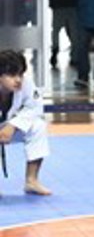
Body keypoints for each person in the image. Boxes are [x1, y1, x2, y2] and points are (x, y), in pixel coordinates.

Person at [0, 50, 51, 197]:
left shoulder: (26, 84)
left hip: (9, 126)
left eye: (20, 74)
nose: (18, 80)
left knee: (38, 126)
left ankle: (31, 181)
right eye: (12, 75)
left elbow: (35, 107)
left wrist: (12, 126)